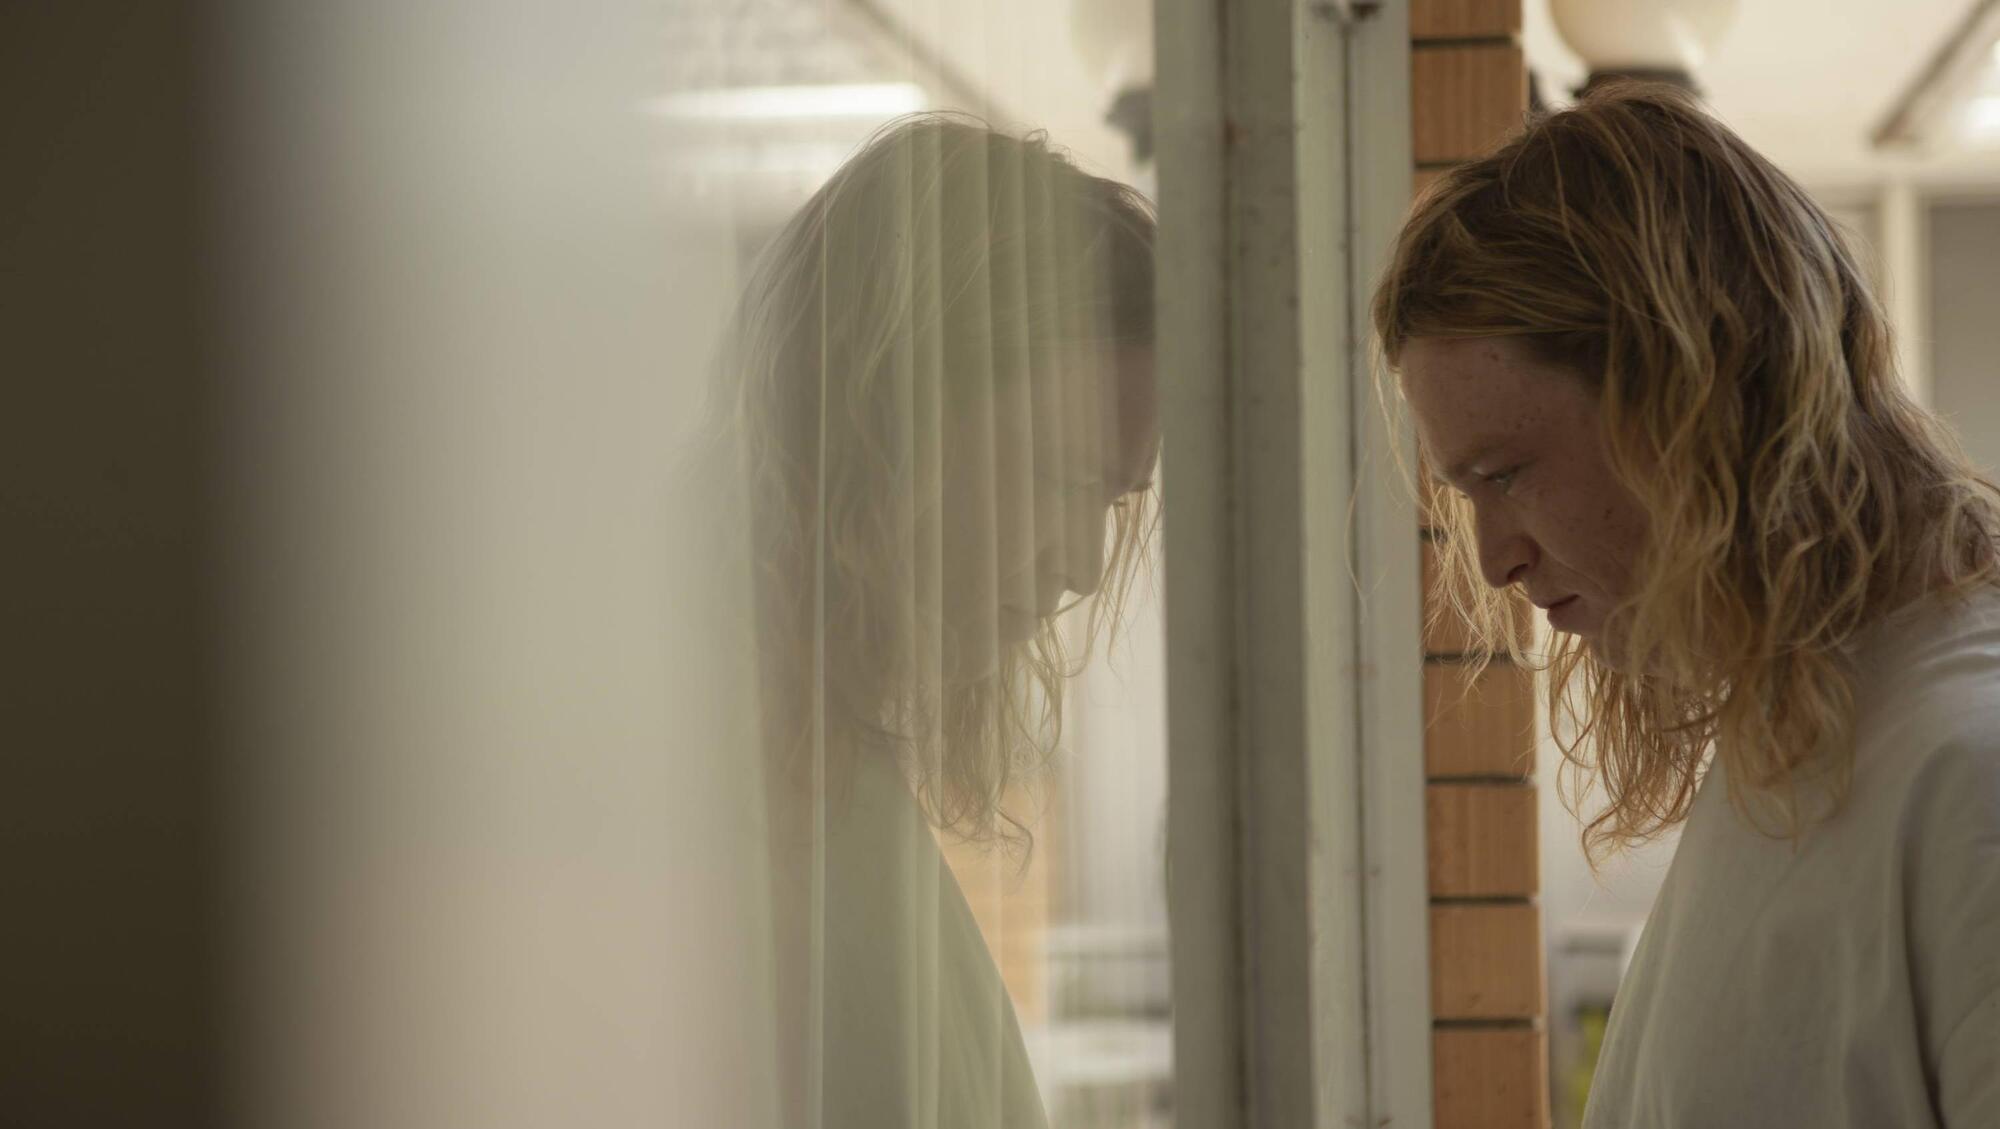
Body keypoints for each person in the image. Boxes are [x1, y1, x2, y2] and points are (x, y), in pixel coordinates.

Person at [1373, 84, 2000, 1127]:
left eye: (1508, 472)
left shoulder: (1966, 772)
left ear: (1693, 398)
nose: (1493, 560)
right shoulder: (1807, 729)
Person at [701, 115, 1157, 1128]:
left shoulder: (817, 776)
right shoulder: (700, 796)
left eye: (1112, 500)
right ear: (879, 425)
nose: (1083, 566)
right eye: (1058, 476)